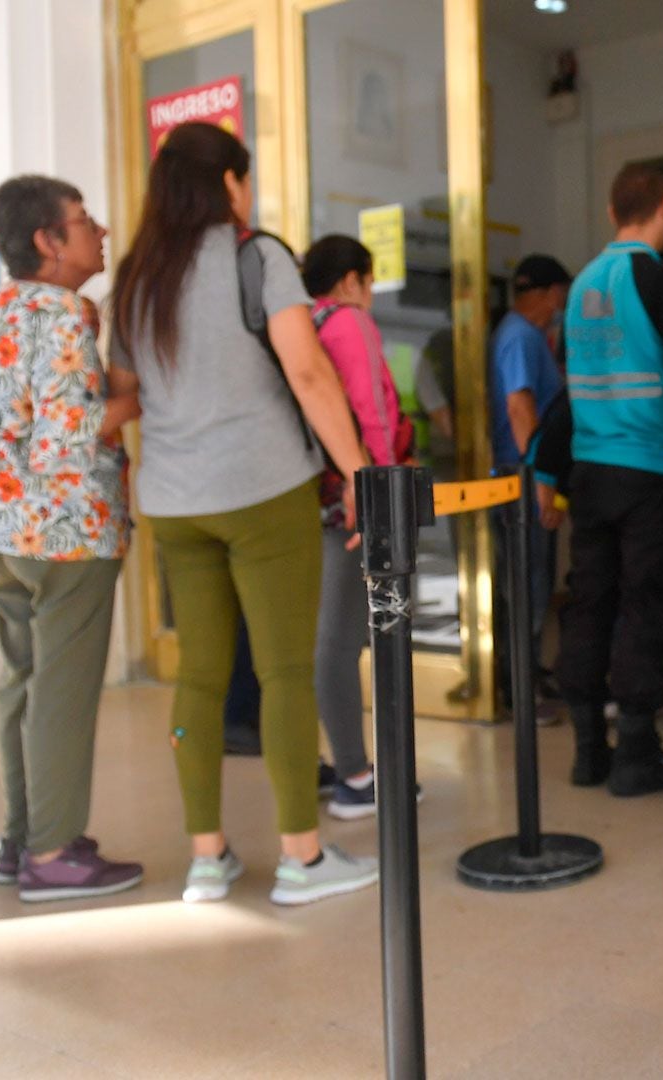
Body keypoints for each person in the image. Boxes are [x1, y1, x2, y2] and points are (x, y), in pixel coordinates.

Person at [108, 121, 377, 906]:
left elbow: (124, 393)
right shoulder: (255, 257)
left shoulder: (135, 276)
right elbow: (308, 371)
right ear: (227, 184)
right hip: (263, 492)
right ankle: (302, 859)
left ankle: (206, 859)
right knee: (284, 670)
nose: (249, 194)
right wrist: (356, 468)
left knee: (197, 675)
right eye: (244, 179)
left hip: (176, 503)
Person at [0, 174, 142, 901]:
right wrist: (137, 394)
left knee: (23, 687)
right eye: (84, 220)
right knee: (61, 695)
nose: (99, 231)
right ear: (47, 240)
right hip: (64, 534)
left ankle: (22, 835)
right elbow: (70, 434)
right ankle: (55, 854)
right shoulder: (63, 313)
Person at [556, 163, 663, 795]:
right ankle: (638, 751)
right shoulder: (657, 279)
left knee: (590, 601)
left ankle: (589, 750)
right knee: (649, 602)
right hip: (654, 467)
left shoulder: (582, 283)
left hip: (591, 468)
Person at [300, 234, 414, 819]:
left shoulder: (303, 324)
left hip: (311, 498)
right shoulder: (348, 322)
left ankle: (339, 765)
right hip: (351, 500)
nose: (368, 296)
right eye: (368, 283)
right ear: (351, 280)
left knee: (332, 634)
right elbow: (371, 407)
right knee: (342, 639)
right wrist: (376, 489)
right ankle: (355, 776)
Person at [488, 253, 572, 718]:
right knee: (527, 586)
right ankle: (520, 690)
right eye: (559, 294)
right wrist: (543, 478)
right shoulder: (520, 337)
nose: (561, 304)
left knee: (528, 583)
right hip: (519, 478)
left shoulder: (517, 334)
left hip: (519, 475)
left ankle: (529, 674)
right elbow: (521, 407)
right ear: (545, 294)